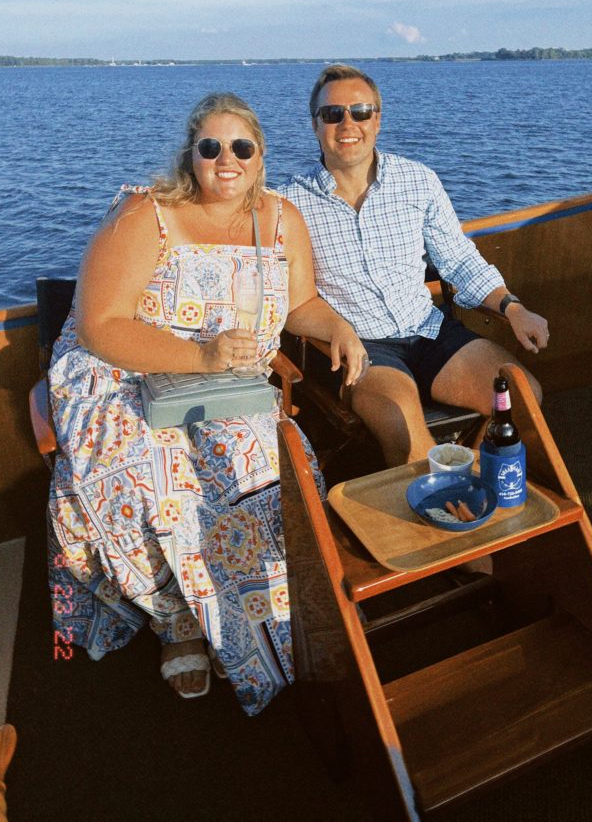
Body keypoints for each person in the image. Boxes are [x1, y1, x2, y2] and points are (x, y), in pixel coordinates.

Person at [47, 91, 366, 714]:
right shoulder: (147, 215)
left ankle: (254, 622)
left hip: (229, 382)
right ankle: (180, 620)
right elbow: (99, 325)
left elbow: (299, 304)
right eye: (211, 147)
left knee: (264, 467)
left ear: (260, 156)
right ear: (190, 155)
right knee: (156, 477)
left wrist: (338, 327)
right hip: (121, 377)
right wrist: (204, 356)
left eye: (241, 147)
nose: (227, 159)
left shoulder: (280, 219)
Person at [277, 63, 549, 468]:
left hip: (428, 330)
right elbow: (288, 300)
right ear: (315, 124)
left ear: (378, 119)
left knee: (521, 394)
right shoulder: (287, 205)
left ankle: (467, 491)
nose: (347, 123)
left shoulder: (418, 181)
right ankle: (443, 509)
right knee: (407, 439)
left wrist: (513, 307)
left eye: (361, 111)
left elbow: (458, 258)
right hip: (365, 350)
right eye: (333, 114)